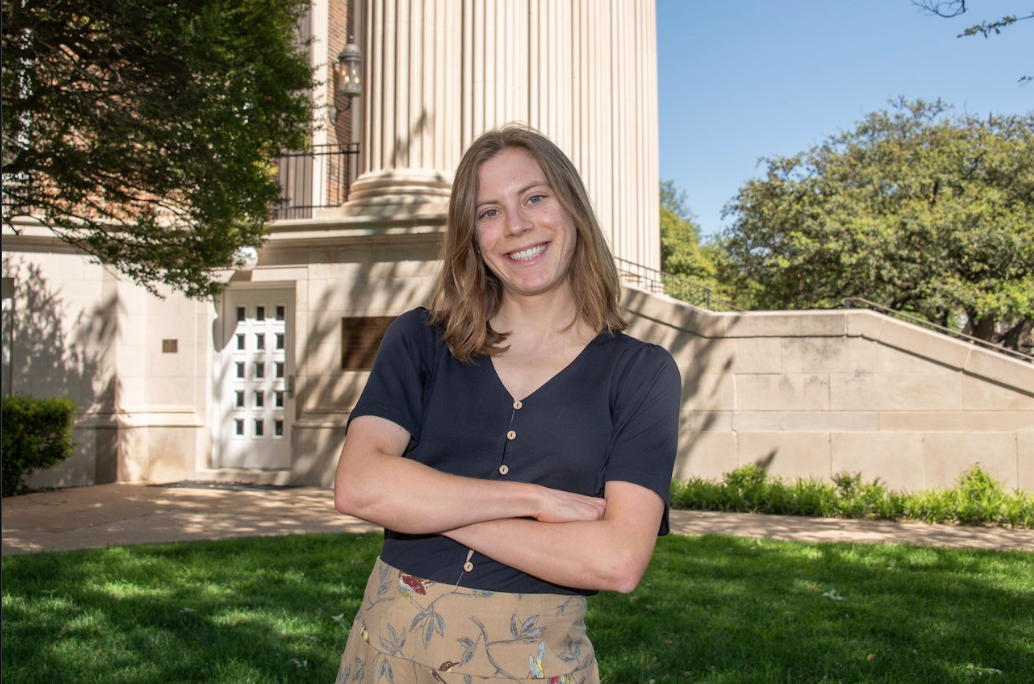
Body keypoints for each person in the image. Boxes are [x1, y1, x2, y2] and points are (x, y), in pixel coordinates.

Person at [333, 123, 681, 684]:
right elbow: (359, 486)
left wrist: (425, 502)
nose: (516, 225)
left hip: (534, 661)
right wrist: (532, 500)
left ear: (572, 209)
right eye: (488, 212)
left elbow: (617, 560)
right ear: (471, 237)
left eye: (534, 198)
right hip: (388, 651)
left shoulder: (641, 373)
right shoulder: (421, 339)